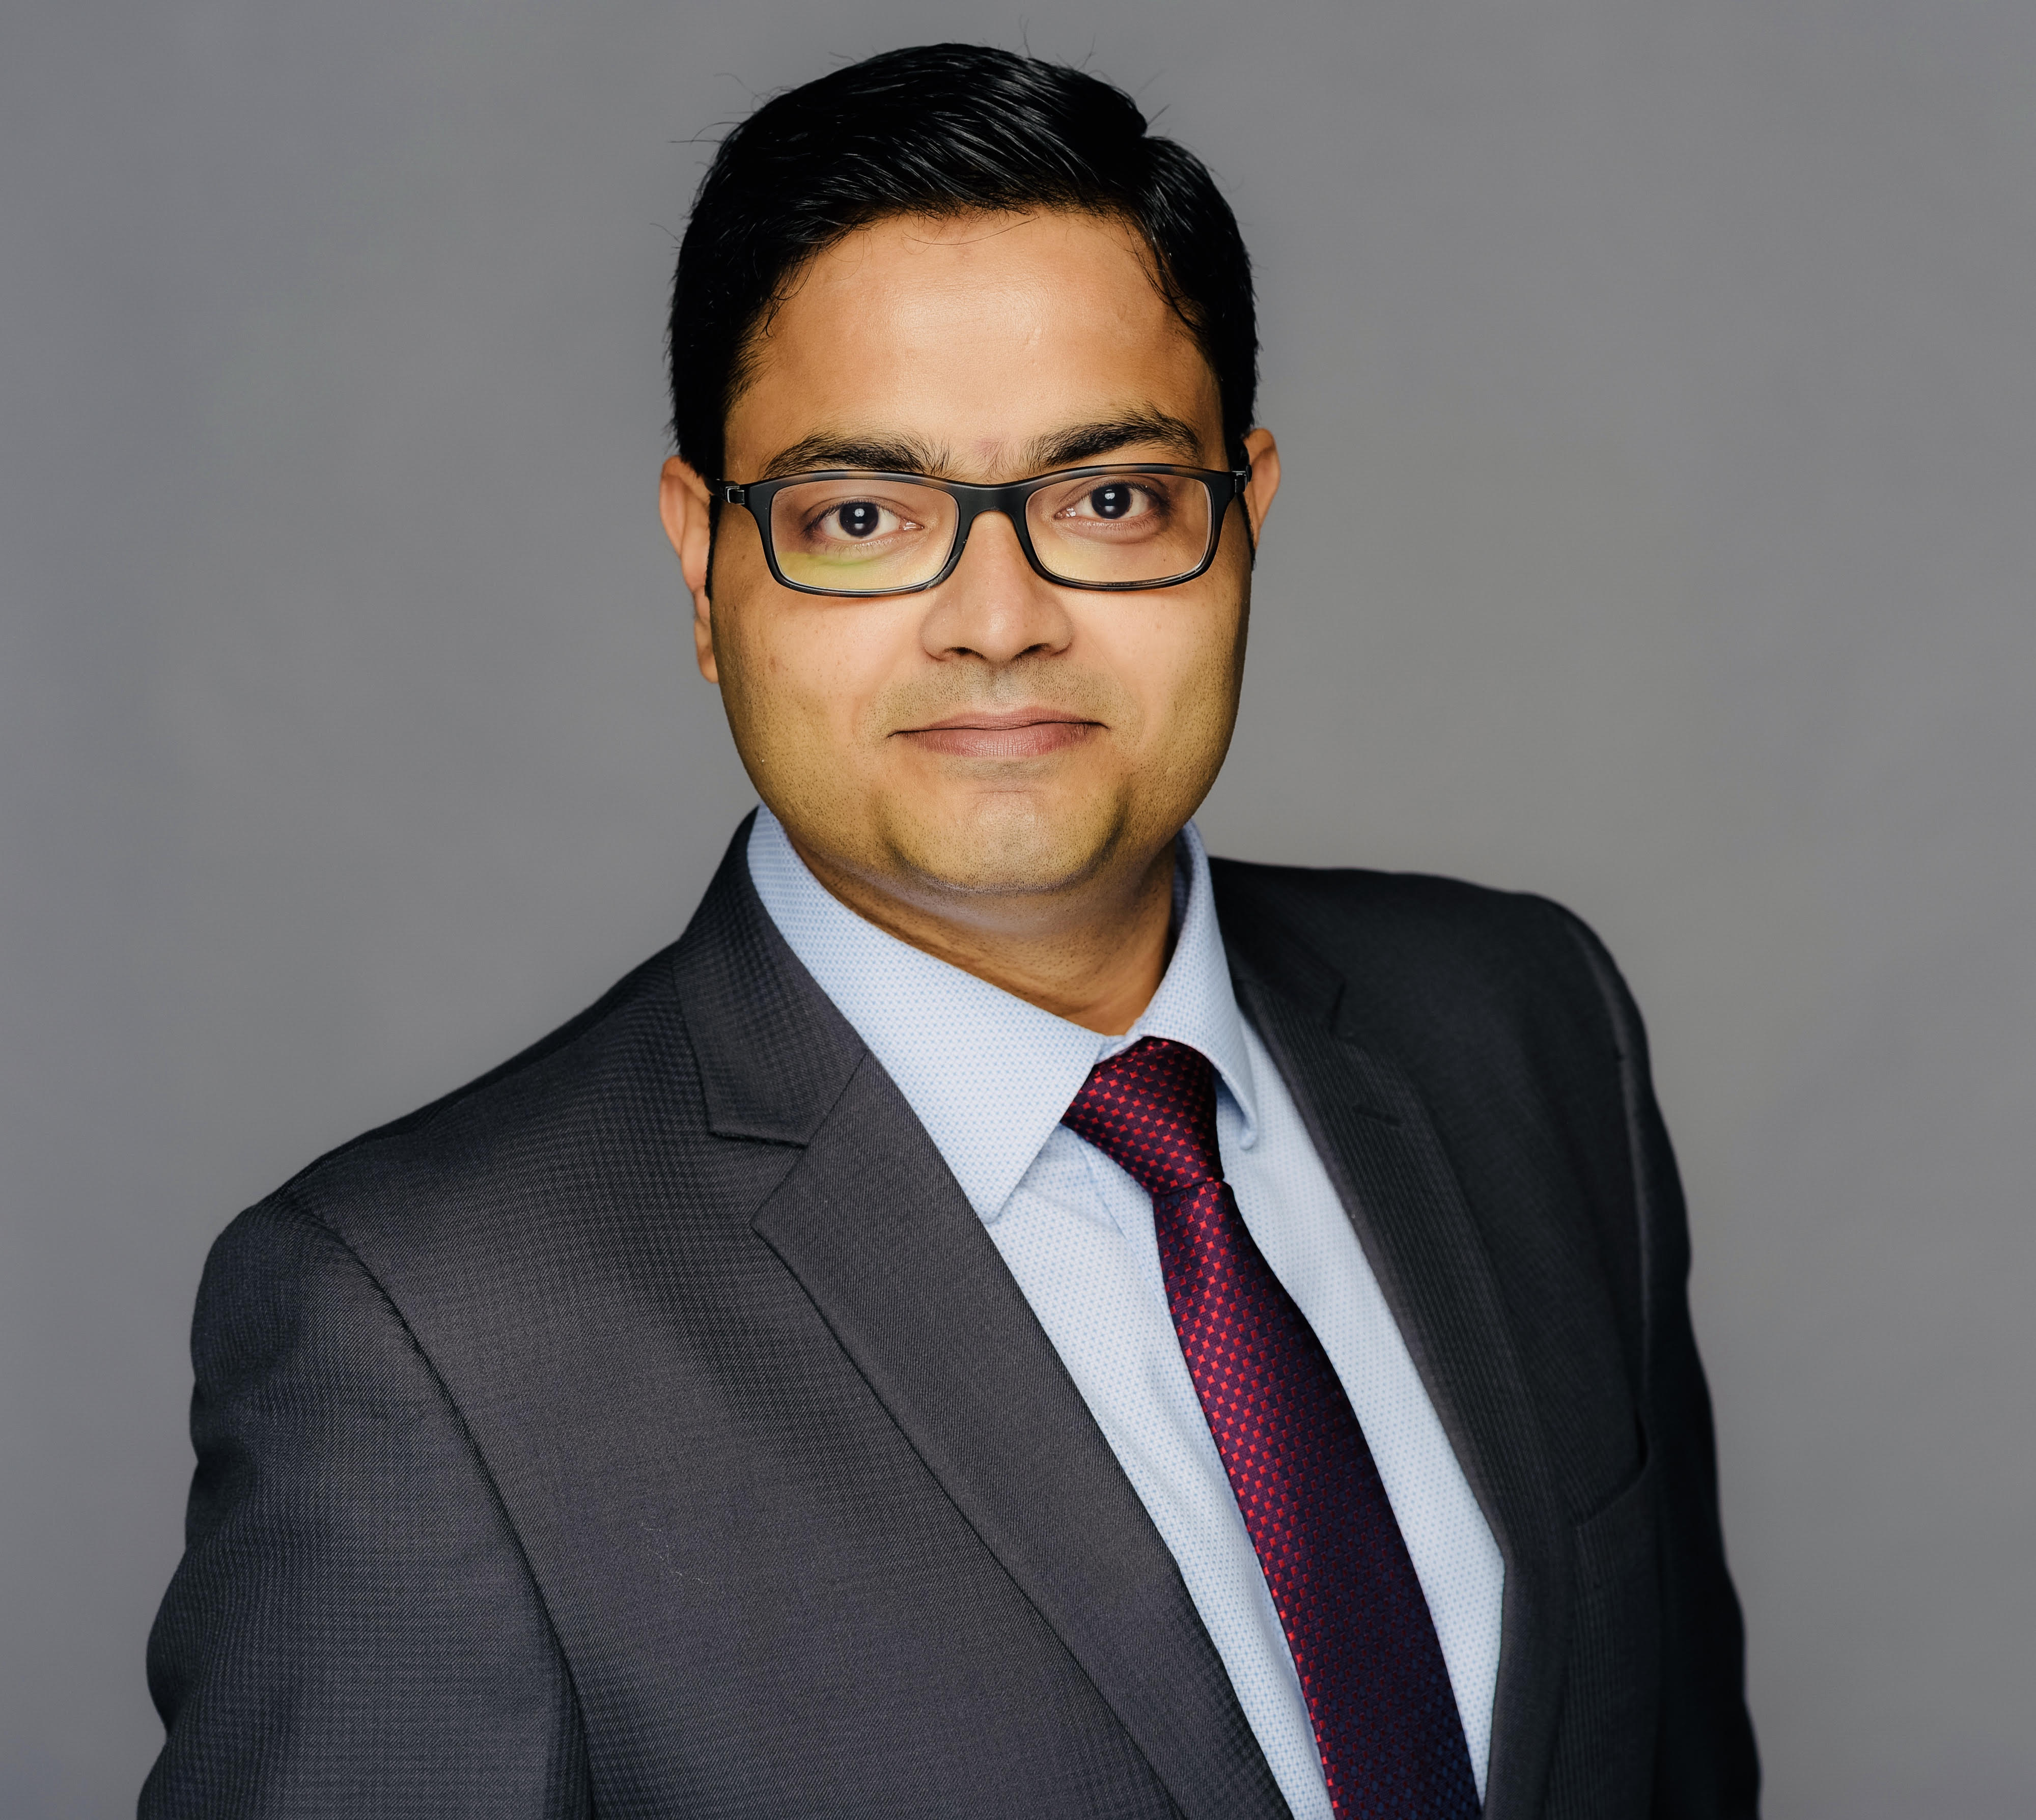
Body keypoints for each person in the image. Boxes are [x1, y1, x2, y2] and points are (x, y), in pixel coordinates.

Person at [142, 43, 1759, 1820]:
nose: (999, 619)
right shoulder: (424, 1330)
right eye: (861, 517)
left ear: (1244, 518)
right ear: (703, 565)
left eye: (1110, 499)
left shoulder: (1527, 1026)